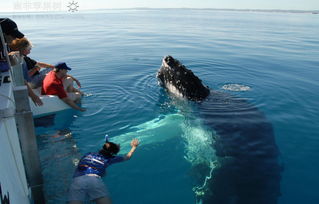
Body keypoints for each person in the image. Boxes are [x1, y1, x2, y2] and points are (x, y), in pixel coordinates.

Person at [68, 138, 140, 204]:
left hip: (77, 180)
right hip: (94, 180)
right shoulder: (110, 159)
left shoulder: (89, 154)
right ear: (113, 154)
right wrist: (134, 147)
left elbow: (79, 165)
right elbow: (127, 157)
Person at [9, 37, 82, 89]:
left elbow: (39, 64)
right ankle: (52, 88)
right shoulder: (22, 60)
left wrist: (52, 67)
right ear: (23, 49)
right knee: (49, 75)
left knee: (54, 69)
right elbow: (24, 77)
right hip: (31, 82)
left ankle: (71, 81)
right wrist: (36, 69)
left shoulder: (24, 57)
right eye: (29, 49)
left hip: (33, 78)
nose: (30, 51)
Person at [0, 18, 43, 105]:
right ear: (3, 34)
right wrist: (33, 96)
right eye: (12, 35)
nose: (15, 38)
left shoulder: (6, 47)